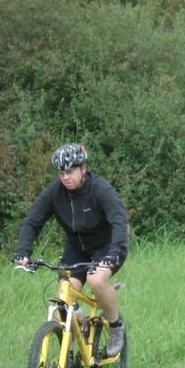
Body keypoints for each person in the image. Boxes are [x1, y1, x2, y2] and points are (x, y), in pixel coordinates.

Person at [13, 143, 130, 356]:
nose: (65, 177)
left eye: (70, 171)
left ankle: (115, 326)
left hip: (107, 246)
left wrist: (114, 251)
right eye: (61, 173)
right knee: (64, 297)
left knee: (96, 280)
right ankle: (69, 354)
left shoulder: (99, 189)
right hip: (76, 248)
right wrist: (23, 250)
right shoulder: (55, 192)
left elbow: (119, 221)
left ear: (83, 169)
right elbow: (33, 221)